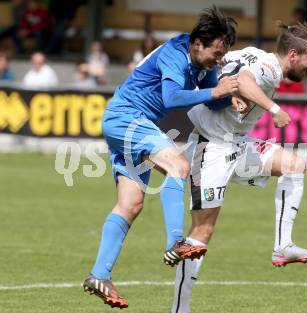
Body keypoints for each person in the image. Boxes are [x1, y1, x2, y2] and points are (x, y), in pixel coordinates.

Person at [82, 6, 238, 309]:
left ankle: (99, 273)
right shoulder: (175, 53)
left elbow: (214, 99)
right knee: (178, 166)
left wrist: (232, 98)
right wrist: (217, 93)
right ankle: (174, 242)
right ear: (197, 44)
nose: (218, 60)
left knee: (131, 204)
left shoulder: (204, 64)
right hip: (127, 116)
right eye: (216, 54)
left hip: (129, 122)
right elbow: (173, 97)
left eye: (222, 55)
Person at [170, 22, 307, 313]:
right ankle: (179, 310)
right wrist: (274, 110)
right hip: (210, 147)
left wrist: (233, 94)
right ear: (292, 54)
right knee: (202, 232)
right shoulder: (271, 68)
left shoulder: (254, 53)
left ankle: (283, 246)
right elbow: (244, 80)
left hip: (237, 145)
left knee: (294, 165)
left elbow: (228, 67)